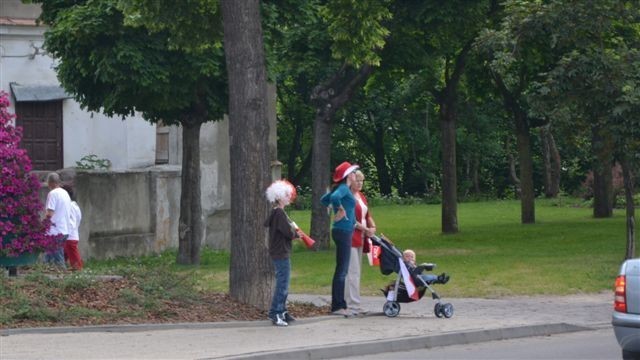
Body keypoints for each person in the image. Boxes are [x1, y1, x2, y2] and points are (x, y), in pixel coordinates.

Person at [321, 161, 359, 316]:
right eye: (353, 172)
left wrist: (337, 207)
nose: (355, 174)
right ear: (348, 175)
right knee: (342, 270)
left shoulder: (343, 188)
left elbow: (324, 200)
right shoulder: (343, 188)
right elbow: (334, 197)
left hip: (342, 230)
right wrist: (341, 210)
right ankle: (337, 306)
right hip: (343, 231)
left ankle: (340, 304)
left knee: (341, 269)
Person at [264, 180, 299, 327]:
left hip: (280, 252)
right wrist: (295, 232)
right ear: (278, 196)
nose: (289, 197)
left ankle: (282, 310)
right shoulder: (279, 213)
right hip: (280, 252)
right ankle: (276, 313)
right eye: (286, 195)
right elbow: (287, 232)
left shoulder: (278, 213)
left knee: (284, 282)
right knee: (282, 283)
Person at [345, 170, 376, 313]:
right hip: (352, 236)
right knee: (353, 271)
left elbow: (367, 214)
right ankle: (353, 305)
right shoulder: (348, 197)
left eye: (361, 181)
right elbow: (352, 219)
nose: (360, 183)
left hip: (362, 237)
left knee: (358, 271)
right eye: (357, 180)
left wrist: (372, 226)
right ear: (351, 181)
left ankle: (353, 302)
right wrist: (365, 229)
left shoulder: (361, 196)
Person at [43, 172, 72, 269]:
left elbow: (49, 213)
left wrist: (43, 223)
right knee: (48, 256)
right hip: (64, 230)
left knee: (58, 258)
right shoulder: (65, 193)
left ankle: (63, 274)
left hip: (55, 231)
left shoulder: (53, 193)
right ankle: (43, 272)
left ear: (50, 182)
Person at [62, 184, 83, 271]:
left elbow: (71, 223)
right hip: (72, 235)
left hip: (69, 236)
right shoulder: (75, 206)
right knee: (63, 256)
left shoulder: (69, 206)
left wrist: (66, 233)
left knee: (74, 259)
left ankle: (79, 271)